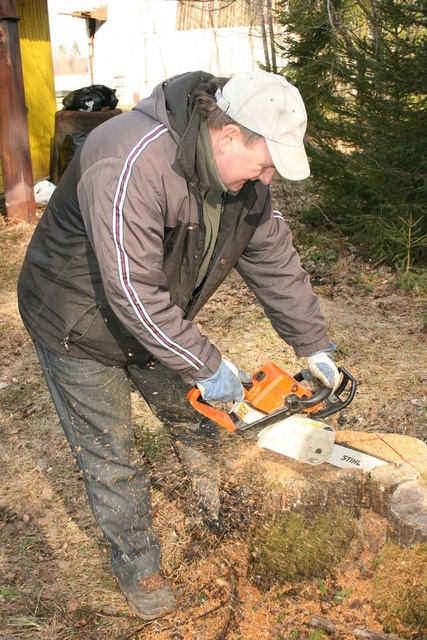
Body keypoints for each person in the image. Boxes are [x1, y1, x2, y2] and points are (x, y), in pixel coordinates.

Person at [17, 69, 340, 621]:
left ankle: (220, 519)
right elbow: (131, 287)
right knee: (111, 454)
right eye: (264, 162)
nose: (268, 177)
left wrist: (313, 344)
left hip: (156, 320)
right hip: (76, 322)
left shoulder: (247, 184)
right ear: (228, 132)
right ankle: (139, 565)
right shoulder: (131, 159)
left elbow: (275, 262)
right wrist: (203, 362)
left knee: (202, 421)